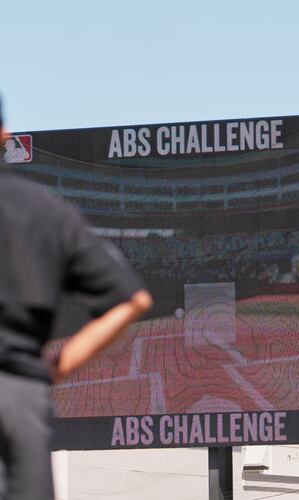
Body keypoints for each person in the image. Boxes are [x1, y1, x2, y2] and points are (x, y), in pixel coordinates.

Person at [0, 97, 153, 500]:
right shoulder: (45, 210)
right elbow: (131, 300)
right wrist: (56, 366)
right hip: (20, 395)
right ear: (5, 135)